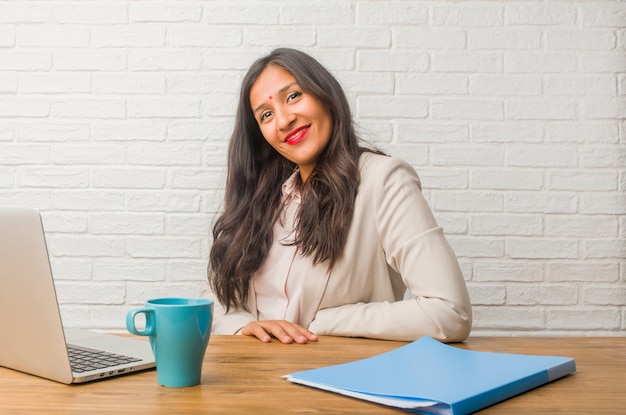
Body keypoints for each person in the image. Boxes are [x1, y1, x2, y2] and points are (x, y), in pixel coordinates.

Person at [207, 48, 472, 344]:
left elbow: (450, 312)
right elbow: (216, 300)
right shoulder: (264, 200)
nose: (283, 121)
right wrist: (244, 327)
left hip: (339, 376)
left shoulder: (384, 181)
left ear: (325, 94)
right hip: (255, 380)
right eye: (266, 115)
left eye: (293, 96)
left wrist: (325, 322)